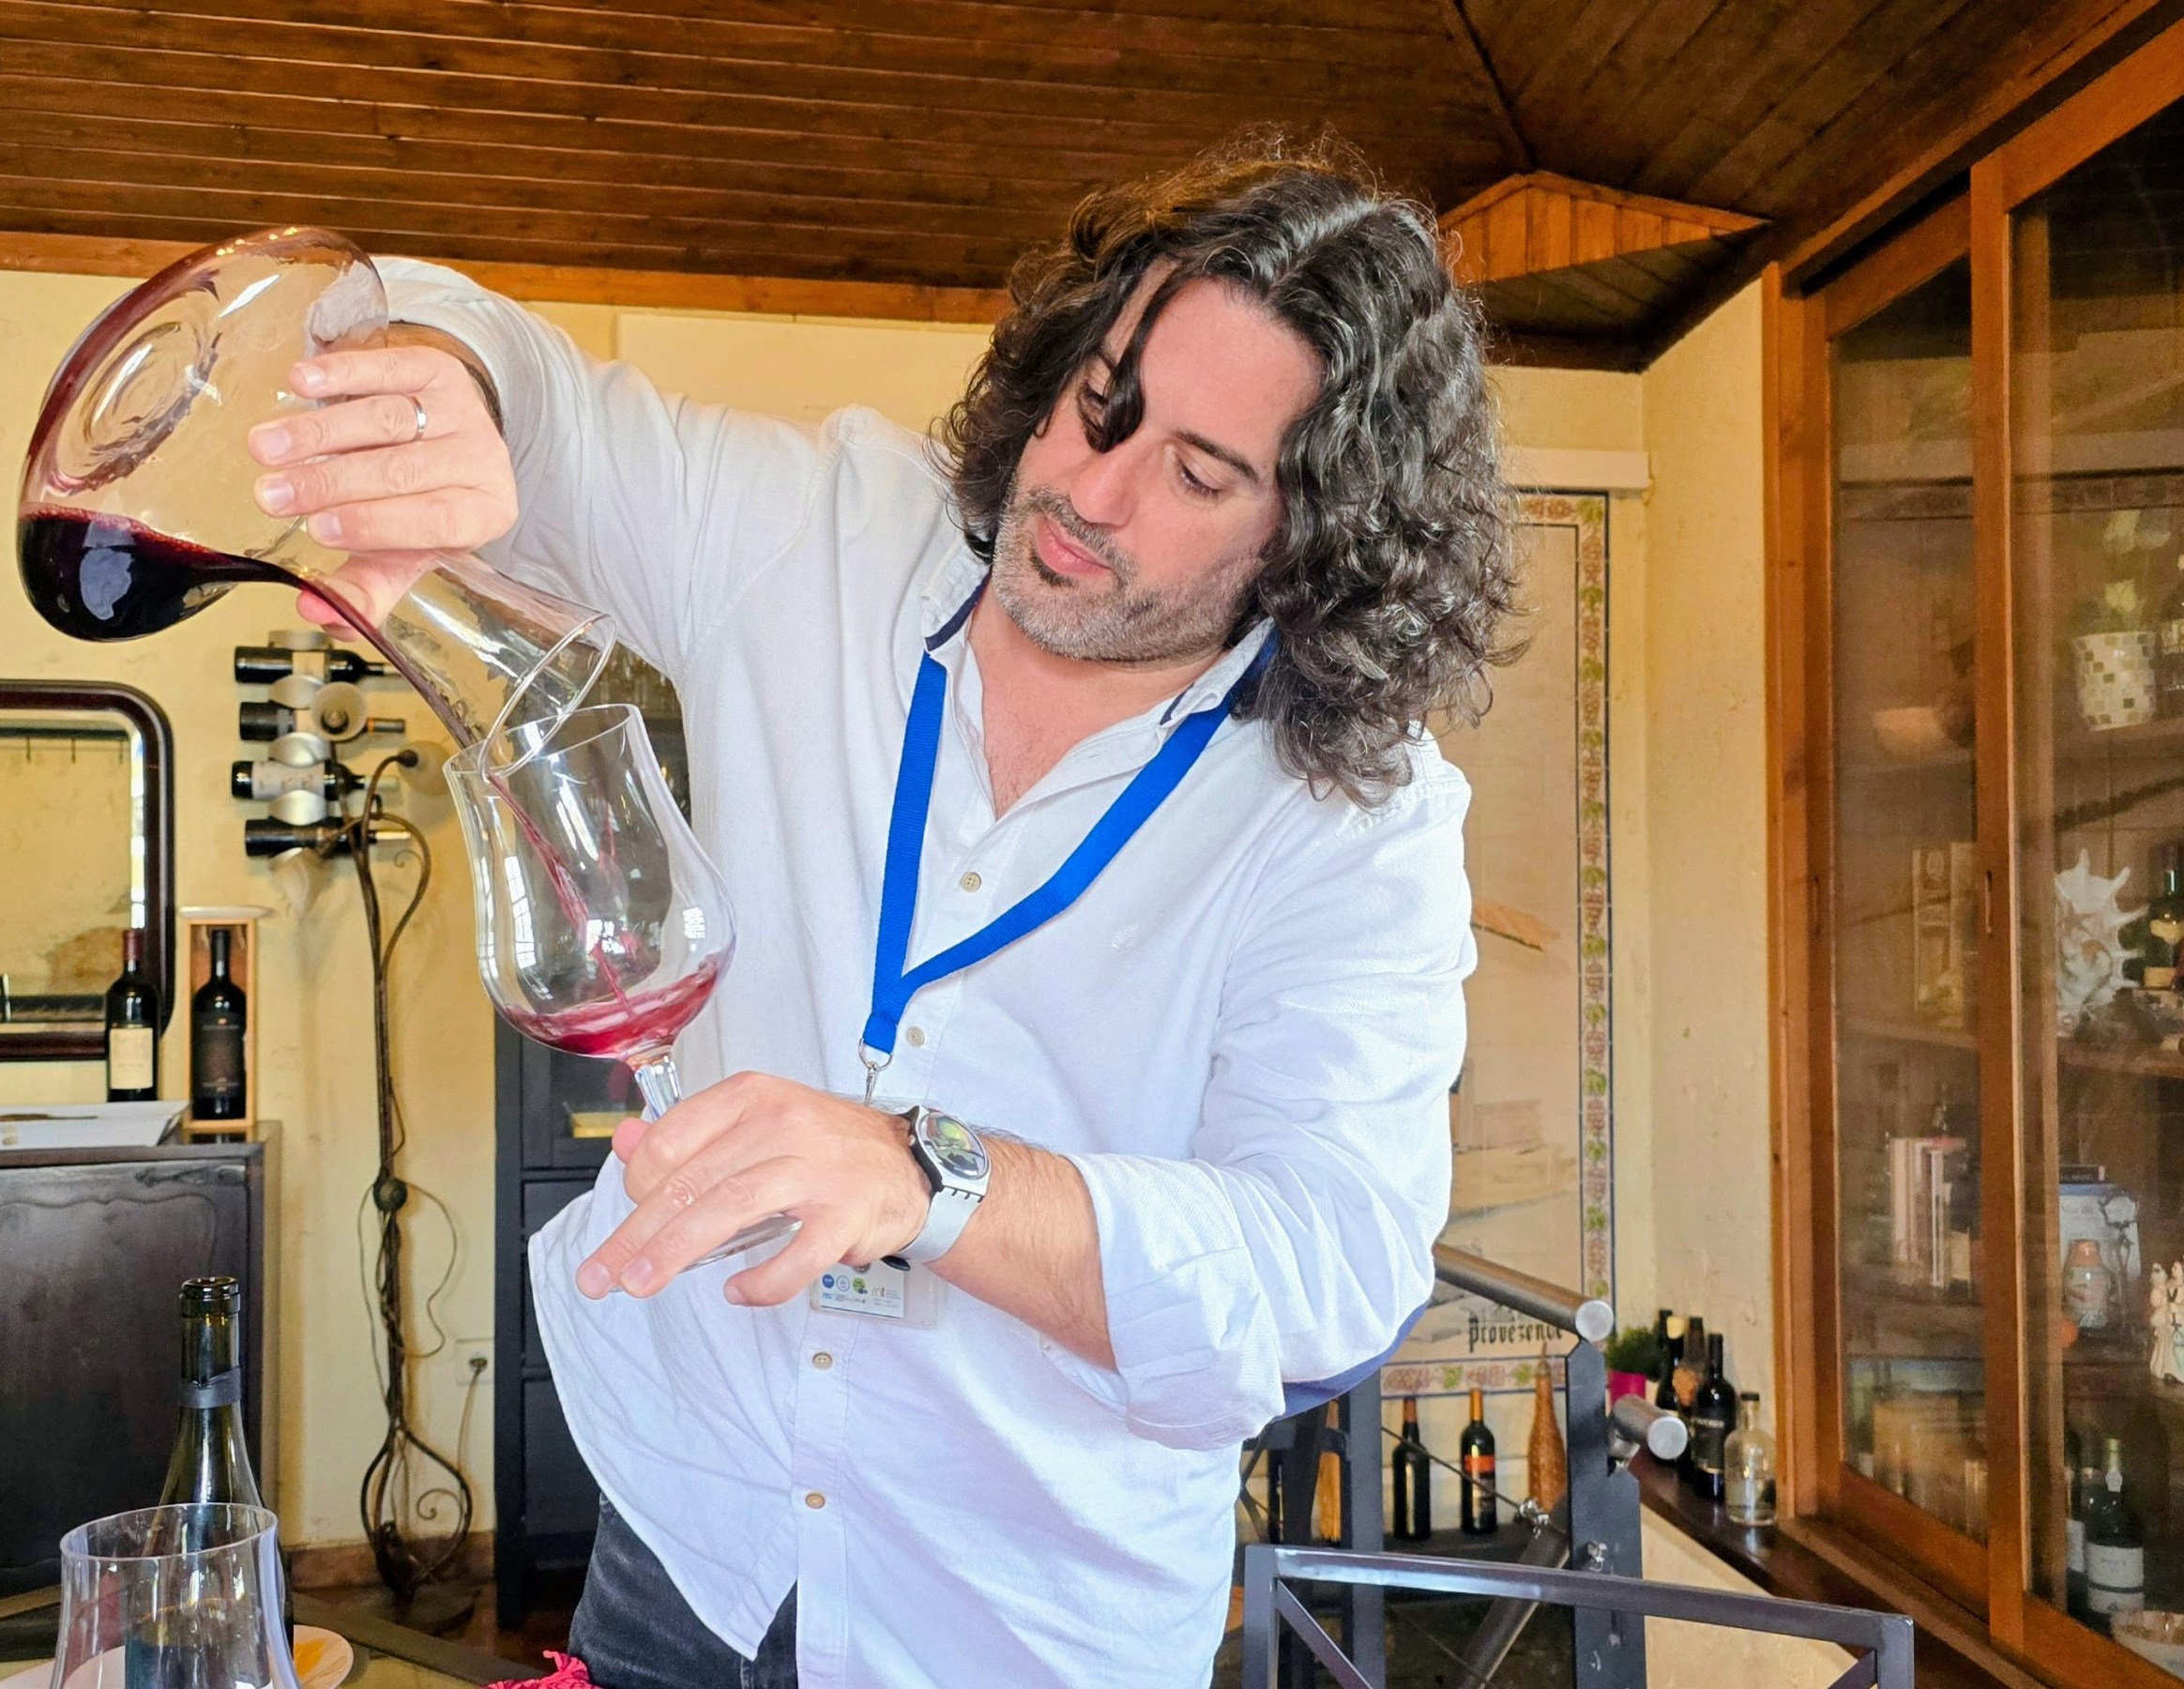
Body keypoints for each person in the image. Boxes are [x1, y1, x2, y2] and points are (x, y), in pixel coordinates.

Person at [247, 137, 1513, 1689]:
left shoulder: (1353, 822)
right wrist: (446, 369)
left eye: (1194, 473)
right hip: (690, 1532)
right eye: (1101, 403)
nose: (1088, 491)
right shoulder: (830, 530)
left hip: (1021, 1614)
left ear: (1312, 538)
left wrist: (935, 1176)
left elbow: (1329, 1264)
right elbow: (522, 383)